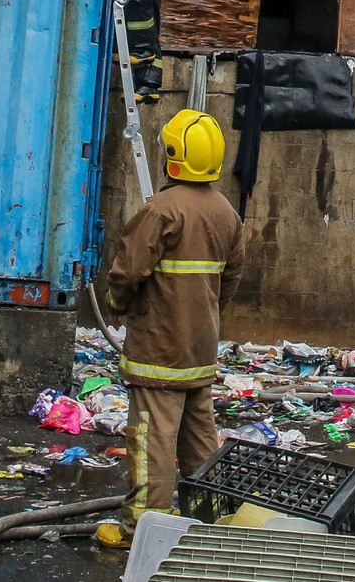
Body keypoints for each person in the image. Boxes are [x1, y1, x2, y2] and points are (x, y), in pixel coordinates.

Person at [95, 110, 247, 547]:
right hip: (200, 349)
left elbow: (127, 273)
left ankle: (141, 532)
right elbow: (230, 281)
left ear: (175, 157)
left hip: (158, 350)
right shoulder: (226, 213)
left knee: (152, 441)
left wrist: (116, 306)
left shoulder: (160, 210)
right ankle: (211, 518)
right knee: (200, 437)